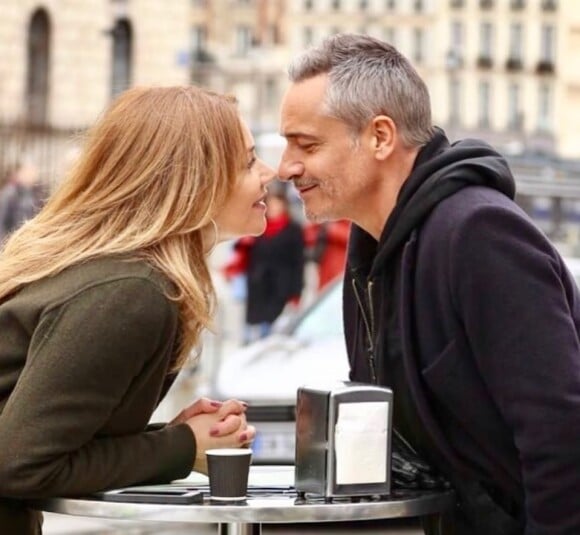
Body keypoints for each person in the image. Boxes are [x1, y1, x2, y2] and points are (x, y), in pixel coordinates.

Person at [278, 33, 580, 535]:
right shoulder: (374, 251)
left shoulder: (477, 234)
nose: (286, 166)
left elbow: (562, 434)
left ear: (380, 137)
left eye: (306, 144)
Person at [0, 85, 276, 534]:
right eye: (247, 161)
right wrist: (183, 447)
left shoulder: (120, 278)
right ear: (195, 179)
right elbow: (20, 463)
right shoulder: (131, 292)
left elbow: (42, 443)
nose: (271, 171)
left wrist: (175, 439)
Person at [225, 187, 305, 343]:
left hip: (281, 287)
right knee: (253, 330)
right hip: (258, 285)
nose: (274, 208)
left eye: (277, 204)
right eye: (271, 204)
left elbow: (298, 262)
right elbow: (243, 252)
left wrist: (296, 292)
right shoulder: (257, 227)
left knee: (274, 331)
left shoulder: (293, 230)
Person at [0, 161, 44, 243]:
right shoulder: (10, 193)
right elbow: (2, 219)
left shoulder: (37, 194)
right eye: (28, 173)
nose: (32, 176)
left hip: (29, 239)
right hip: (11, 239)